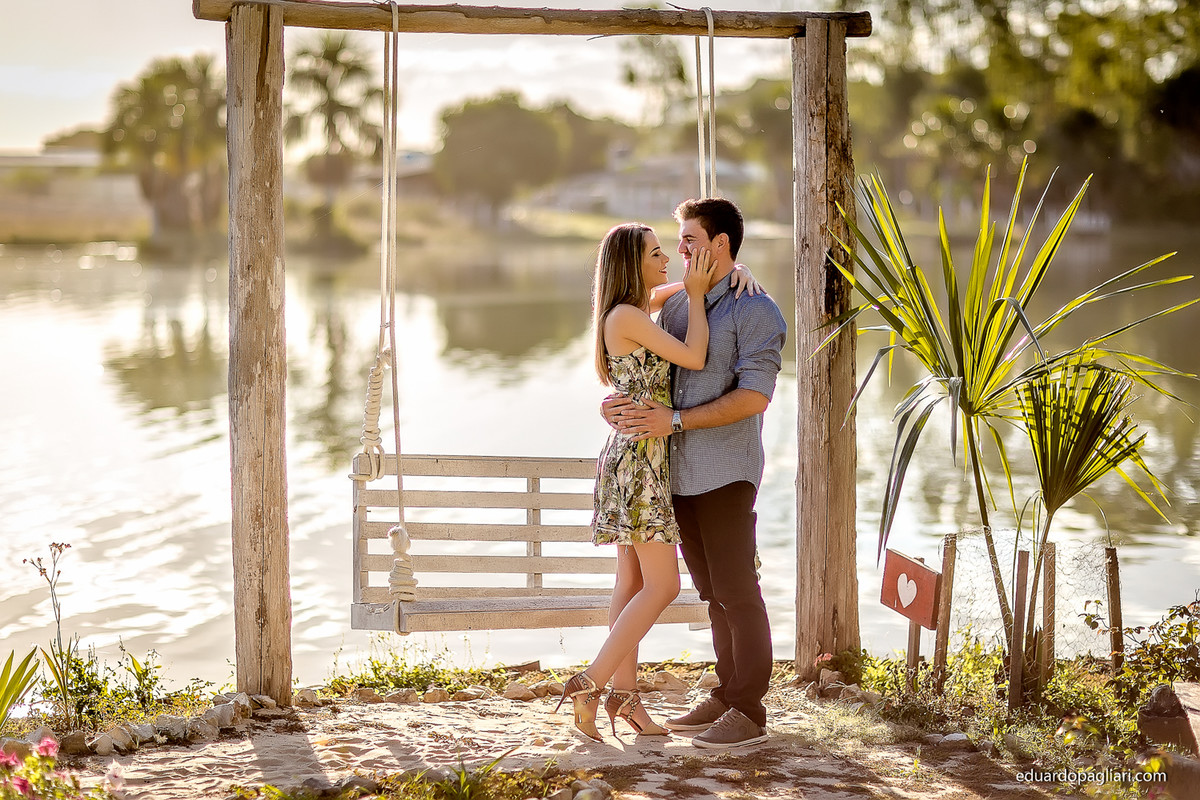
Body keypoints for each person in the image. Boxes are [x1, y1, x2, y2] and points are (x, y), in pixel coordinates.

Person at [556, 222, 760, 742]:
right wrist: (696, 298)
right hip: (641, 461)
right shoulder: (628, 315)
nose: (667, 258)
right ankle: (593, 682)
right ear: (632, 263)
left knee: (630, 584)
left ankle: (626, 700)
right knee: (663, 585)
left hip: (634, 457)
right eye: (655, 253)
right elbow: (692, 355)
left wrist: (734, 272)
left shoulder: (632, 309)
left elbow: (686, 284)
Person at [603, 198, 786, 750]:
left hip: (726, 471)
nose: (680, 250)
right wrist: (615, 405)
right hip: (674, 474)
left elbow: (755, 397)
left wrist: (675, 419)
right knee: (711, 592)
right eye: (676, 243)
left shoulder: (758, 310)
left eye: (687, 240)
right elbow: (641, 363)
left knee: (737, 589)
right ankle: (725, 693)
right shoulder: (682, 303)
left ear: (720, 243)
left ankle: (748, 708)